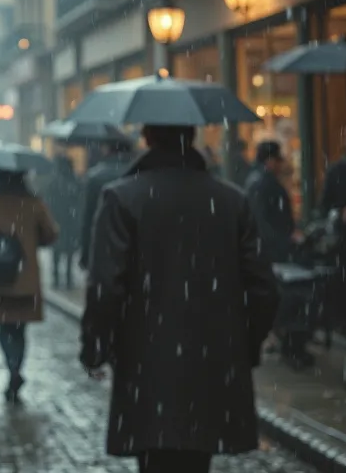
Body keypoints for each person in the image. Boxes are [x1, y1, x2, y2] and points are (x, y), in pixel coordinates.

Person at [81, 124, 279, 473]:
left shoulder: (123, 197)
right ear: (192, 137)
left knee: (156, 459)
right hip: (212, 363)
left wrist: (95, 347)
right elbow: (263, 288)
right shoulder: (231, 200)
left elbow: (106, 287)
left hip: (147, 365)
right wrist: (242, 347)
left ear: (147, 138)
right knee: (196, 459)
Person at [0, 170, 58, 404]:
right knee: (20, 328)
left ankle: (12, 368)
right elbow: (50, 234)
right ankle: (16, 367)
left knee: (4, 326)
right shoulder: (34, 203)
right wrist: (30, 237)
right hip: (24, 275)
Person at [78, 139, 133, 270]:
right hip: (131, 247)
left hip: (102, 245)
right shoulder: (136, 175)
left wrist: (86, 254)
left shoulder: (95, 177)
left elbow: (88, 218)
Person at [45, 154, 82, 288]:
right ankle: (67, 278)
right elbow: (78, 202)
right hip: (69, 220)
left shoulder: (54, 182)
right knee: (69, 251)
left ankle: (56, 278)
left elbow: (49, 202)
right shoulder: (74, 182)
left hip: (58, 219)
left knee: (57, 251)